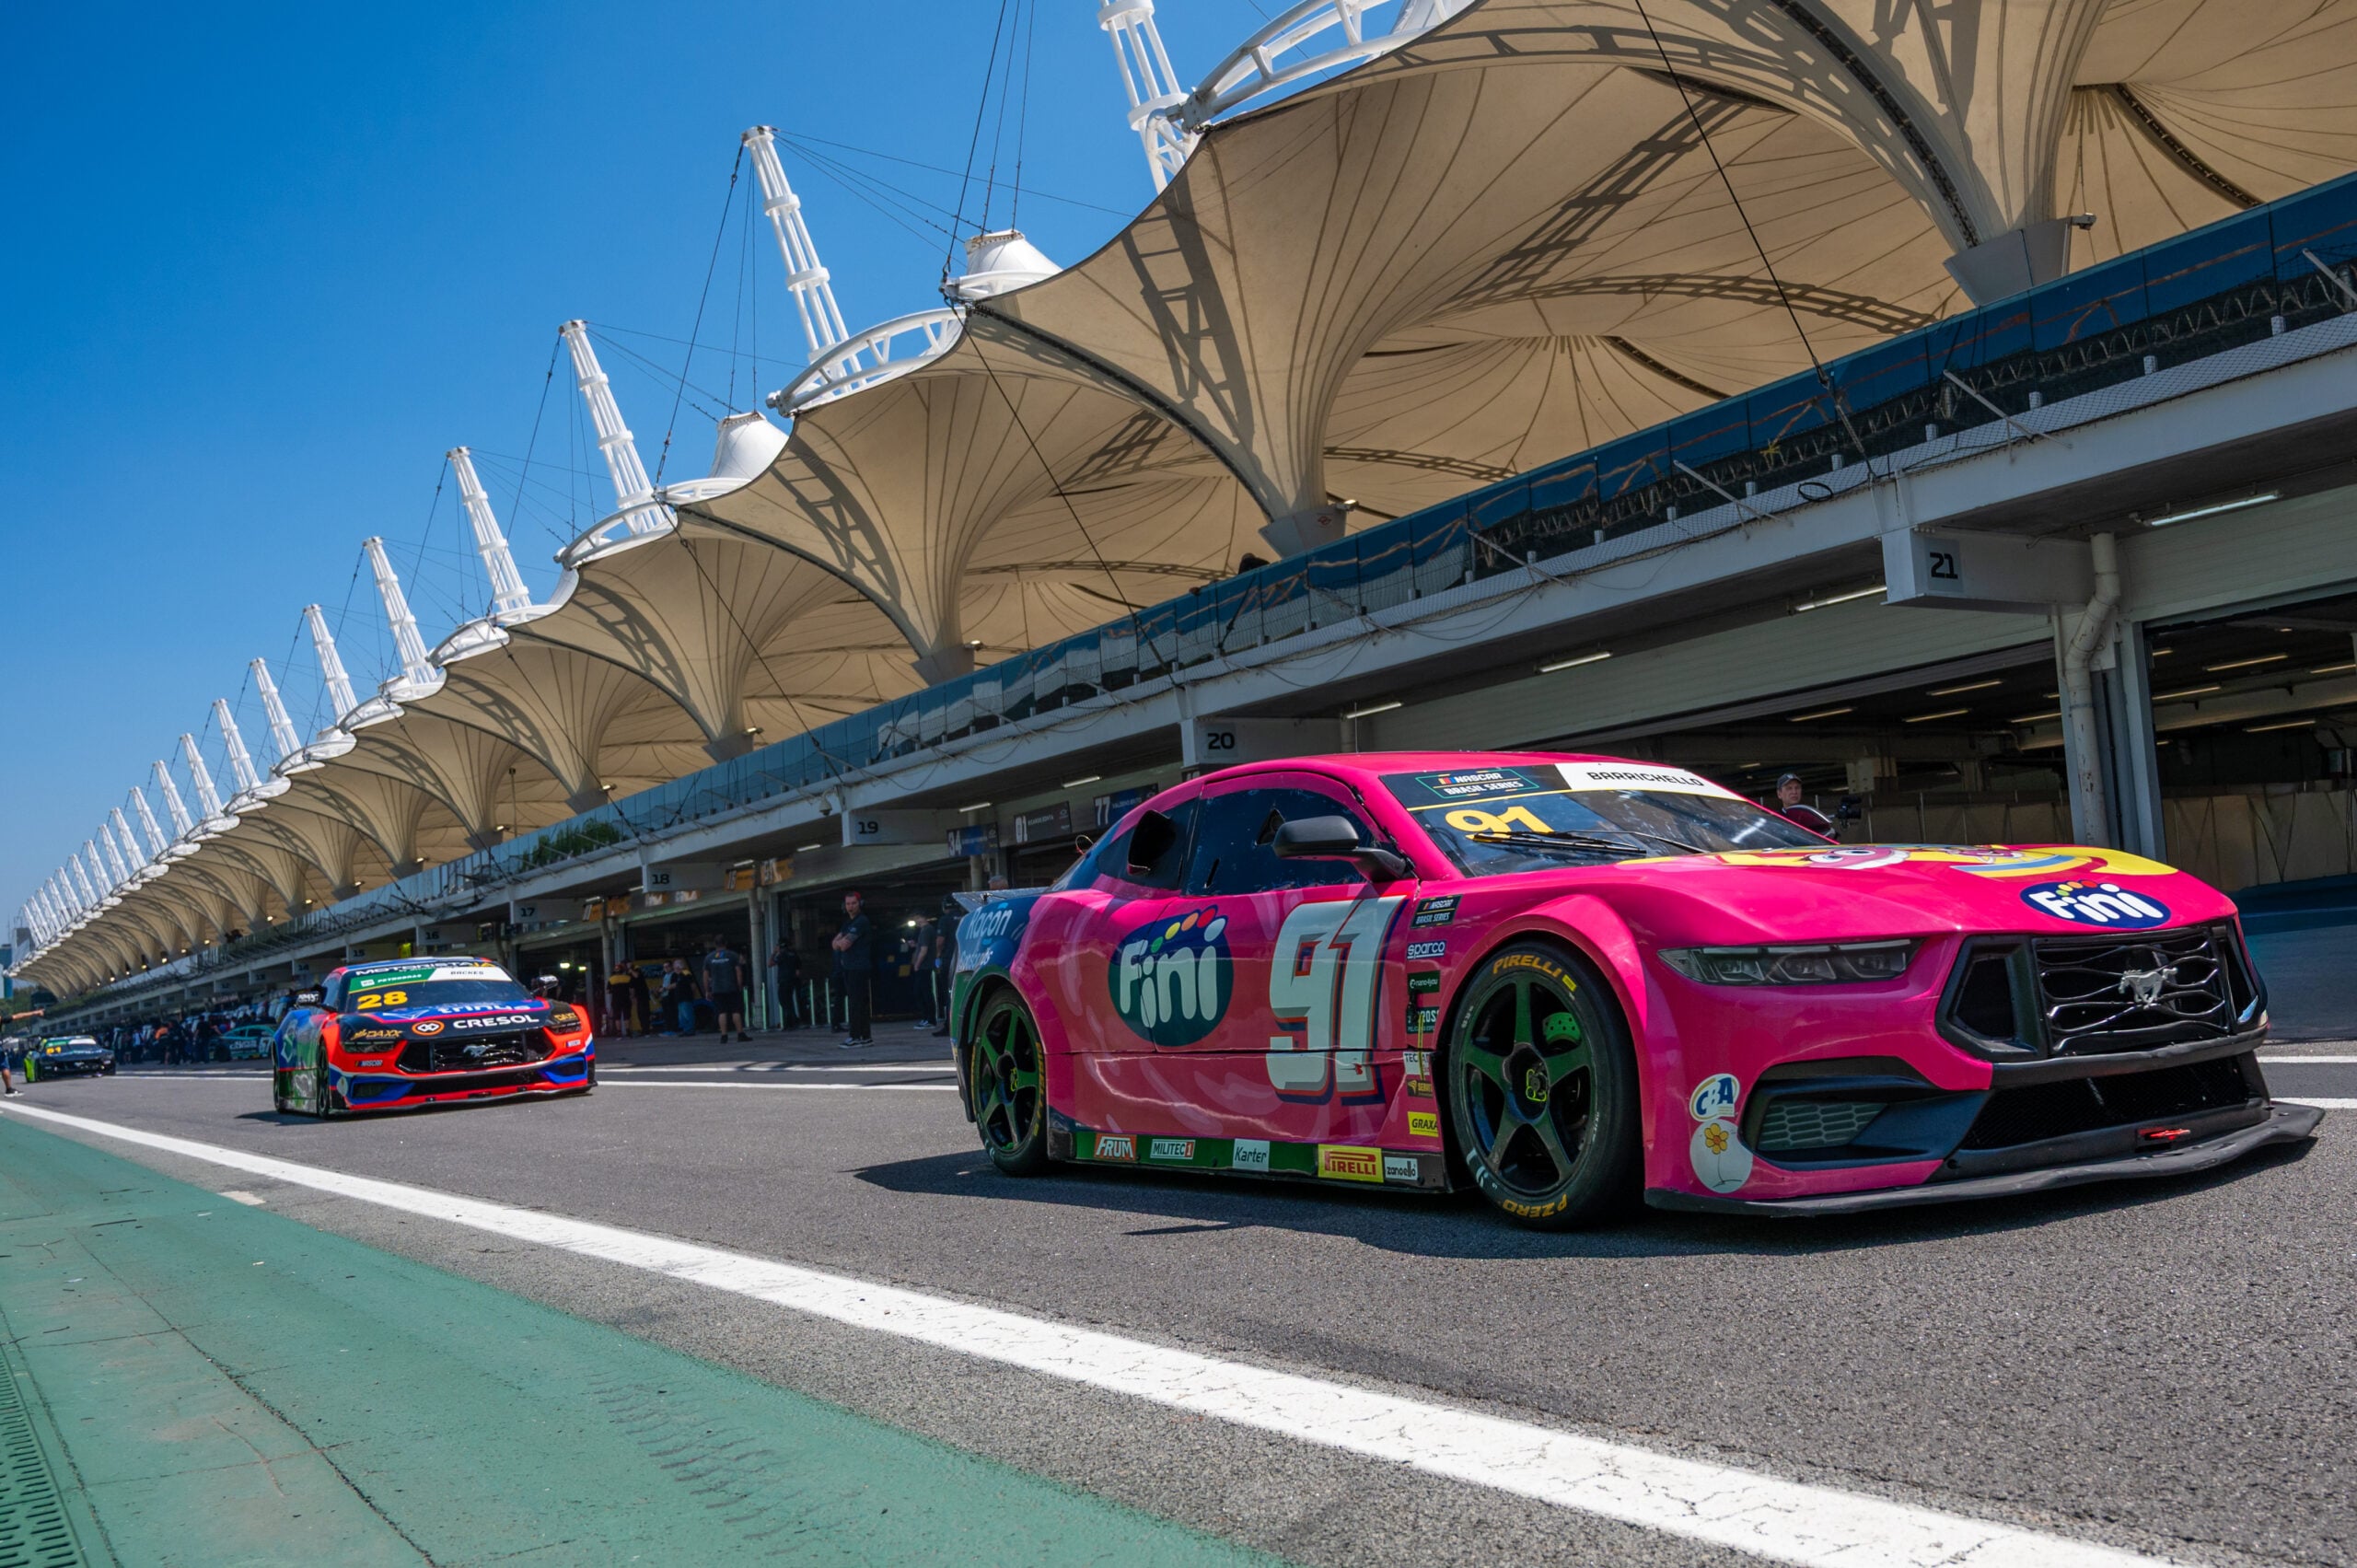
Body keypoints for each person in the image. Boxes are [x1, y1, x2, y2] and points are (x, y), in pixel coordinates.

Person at [830, 890, 875, 1049]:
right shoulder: (847, 923)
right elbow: (834, 943)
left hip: (858, 967)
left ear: (860, 903)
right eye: (848, 904)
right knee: (859, 1002)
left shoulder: (861, 921)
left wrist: (840, 942)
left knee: (857, 1003)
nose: (850, 907)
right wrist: (840, 942)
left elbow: (842, 945)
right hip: (850, 967)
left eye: (853, 903)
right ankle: (865, 1036)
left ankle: (855, 1036)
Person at [703, 936, 749, 1042]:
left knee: (721, 1012)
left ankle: (724, 1036)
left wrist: (707, 990)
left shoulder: (709, 958)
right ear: (726, 943)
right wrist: (739, 985)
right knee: (736, 1011)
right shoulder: (733, 955)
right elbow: (738, 972)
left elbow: (705, 975)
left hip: (717, 989)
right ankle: (740, 1034)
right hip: (732, 987)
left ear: (715, 944)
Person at [1772, 772, 1837, 837]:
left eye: (1797, 788)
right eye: (1789, 788)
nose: (1794, 792)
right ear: (1779, 794)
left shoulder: (1810, 816)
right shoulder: (1774, 819)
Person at [769, 936, 803, 1030]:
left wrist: (774, 953)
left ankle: (789, 1022)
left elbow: (770, 964)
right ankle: (793, 1021)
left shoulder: (782, 954)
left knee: (784, 1002)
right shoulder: (793, 954)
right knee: (790, 1002)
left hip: (784, 981)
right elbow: (798, 971)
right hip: (792, 981)